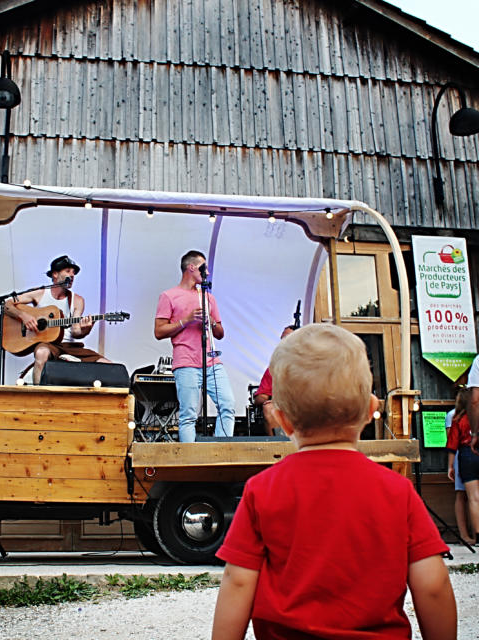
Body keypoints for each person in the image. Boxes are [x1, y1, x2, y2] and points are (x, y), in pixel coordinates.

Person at [212, 324, 455, 640]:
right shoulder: (398, 491)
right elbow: (433, 585)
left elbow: (239, 581)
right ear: (371, 410)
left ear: (282, 420)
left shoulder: (262, 490)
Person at [154, 250, 234, 442]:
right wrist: (186, 321)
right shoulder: (169, 296)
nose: (207, 272)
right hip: (186, 361)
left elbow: (220, 333)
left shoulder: (208, 297)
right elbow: (158, 332)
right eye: (203, 267)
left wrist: (212, 322)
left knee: (227, 404)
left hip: (211, 360)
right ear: (192, 267)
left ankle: (222, 452)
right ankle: (190, 459)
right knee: (188, 414)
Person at [5, 255, 110, 384]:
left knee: (107, 365)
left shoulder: (77, 300)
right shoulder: (40, 293)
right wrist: (24, 316)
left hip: (70, 346)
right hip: (48, 343)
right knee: (41, 352)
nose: (72, 275)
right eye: (67, 271)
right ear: (55, 274)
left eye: (73, 273)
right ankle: (39, 396)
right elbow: (7, 305)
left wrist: (86, 329)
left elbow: (76, 332)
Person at [446, 386, 479, 547]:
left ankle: (477, 536)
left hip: (466, 454)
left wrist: (450, 466)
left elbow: (452, 444)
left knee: (473, 498)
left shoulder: (457, 419)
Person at [253, 325, 296, 435]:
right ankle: (278, 448)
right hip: (283, 408)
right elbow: (259, 398)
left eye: (287, 339)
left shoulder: (312, 364)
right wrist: (272, 401)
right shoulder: (274, 369)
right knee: (269, 408)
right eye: (282, 340)